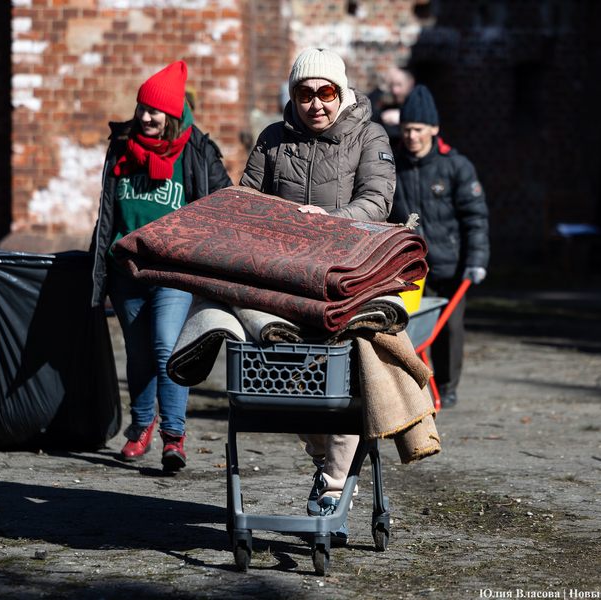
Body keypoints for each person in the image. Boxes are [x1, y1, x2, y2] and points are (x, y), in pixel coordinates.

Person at [240, 47, 395, 545]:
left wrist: (330, 221)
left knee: (340, 387)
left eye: (326, 92)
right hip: (284, 284)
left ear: (341, 92)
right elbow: (248, 200)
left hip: (344, 281)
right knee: (287, 385)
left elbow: (377, 199)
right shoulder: (273, 138)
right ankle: (328, 461)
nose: (316, 104)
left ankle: (332, 485)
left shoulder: (368, 135)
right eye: (304, 94)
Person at [89, 61, 232, 471]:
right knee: (138, 355)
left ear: (172, 114)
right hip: (126, 270)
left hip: (173, 272)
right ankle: (141, 426)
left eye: (154, 111)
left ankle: (173, 436)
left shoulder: (197, 151)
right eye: (142, 108)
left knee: (167, 348)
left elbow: (225, 201)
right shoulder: (122, 146)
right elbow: (108, 211)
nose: (145, 117)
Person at [387, 85, 489, 409]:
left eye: (418, 129)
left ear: (434, 128)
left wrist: (477, 260)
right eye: (406, 129)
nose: (411, 136)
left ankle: (446, 387)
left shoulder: (455, 166)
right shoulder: (391, 164)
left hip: (449, 265)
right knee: (407, 326)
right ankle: (413, 387)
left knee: (449, 329)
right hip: (409, 266)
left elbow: (475, 218)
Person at [369, 65, 415, 148]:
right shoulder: (388, 110)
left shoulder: (417, 109)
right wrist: (383, 85)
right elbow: (366, 110)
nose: (394, 90)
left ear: (410, 83)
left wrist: (403, 117)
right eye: (392, 85)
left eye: (399, 85)